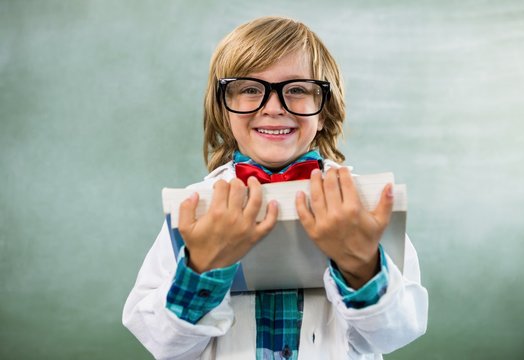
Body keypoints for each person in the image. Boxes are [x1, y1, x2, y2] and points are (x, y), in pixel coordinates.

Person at [123, 16, 428, 360]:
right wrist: (201, 271)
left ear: (323, 111)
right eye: (250, 89)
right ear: (224, 110)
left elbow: (398, 331)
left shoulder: (360, 206)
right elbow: (160, 342)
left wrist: (360, 266)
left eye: (297, 89)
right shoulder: (196, 210)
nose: (273, 107)